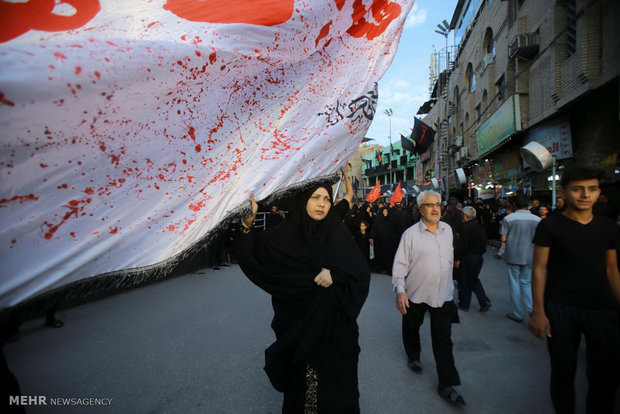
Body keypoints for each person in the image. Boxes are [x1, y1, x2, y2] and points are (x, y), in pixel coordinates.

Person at [235, 177, 370, 413]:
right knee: (305, 391)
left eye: (327, 199)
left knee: (338, 393)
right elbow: (254, 255)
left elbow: (359, 274)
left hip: (337, 333)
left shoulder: (336, 233)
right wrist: (247, 224)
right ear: (303, 201)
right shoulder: (285, 236)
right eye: (315, 198)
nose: (322, 204)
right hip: (300, 330)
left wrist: (335, 275)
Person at [529, 166, 620, 414]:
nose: (585, 195)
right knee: (563, 371)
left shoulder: (609, 228)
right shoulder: (549, 226)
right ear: (565, 191)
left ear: (599, 192)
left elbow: (612, 270)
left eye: (591, 189)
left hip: (602, 308)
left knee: (604, 375)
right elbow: (539, 268)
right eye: (578, 189)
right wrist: (538, 311)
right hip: (560, 307)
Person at [392, 190, 465, 405]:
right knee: (411, 327)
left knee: (443, 341)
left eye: (438, 204)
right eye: (430, 205)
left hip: (443, 295)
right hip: (416, 294)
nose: (435, 208)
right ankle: (413, 356)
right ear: (420, 209)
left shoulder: (448, 230)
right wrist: (400, 290)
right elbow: (399, 266)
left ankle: (447, 384)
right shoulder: (410, 235)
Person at [499, 195, 541, 323]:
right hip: (530, 255)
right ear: (528, 204)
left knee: (514, 284)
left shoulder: (509, 218)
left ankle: (518, 313)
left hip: (513, 255)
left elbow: (503, 238)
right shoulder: (538, 220)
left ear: (514, 205)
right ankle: (531, 310)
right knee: (526, 283)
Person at [458, 206, 491, 312]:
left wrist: (458, 258)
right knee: (473, 279)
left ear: (465, 216)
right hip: (479, 257)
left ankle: (465, 304)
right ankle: (483, 300)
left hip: (468, 257)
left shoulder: (465, 228)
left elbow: (463, 245)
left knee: (465, 280)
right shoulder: (479, 226)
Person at [369, 207, 393, 274]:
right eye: (384, 211)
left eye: (386, 211)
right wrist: (371, 237)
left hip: (388, 241)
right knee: (379, 254)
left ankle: (388, 269)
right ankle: (379, 268)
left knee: (388, 255)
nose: (385, 213)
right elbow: (374, 228)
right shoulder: (378, 220)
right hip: (379, 240)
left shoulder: (390, 220)